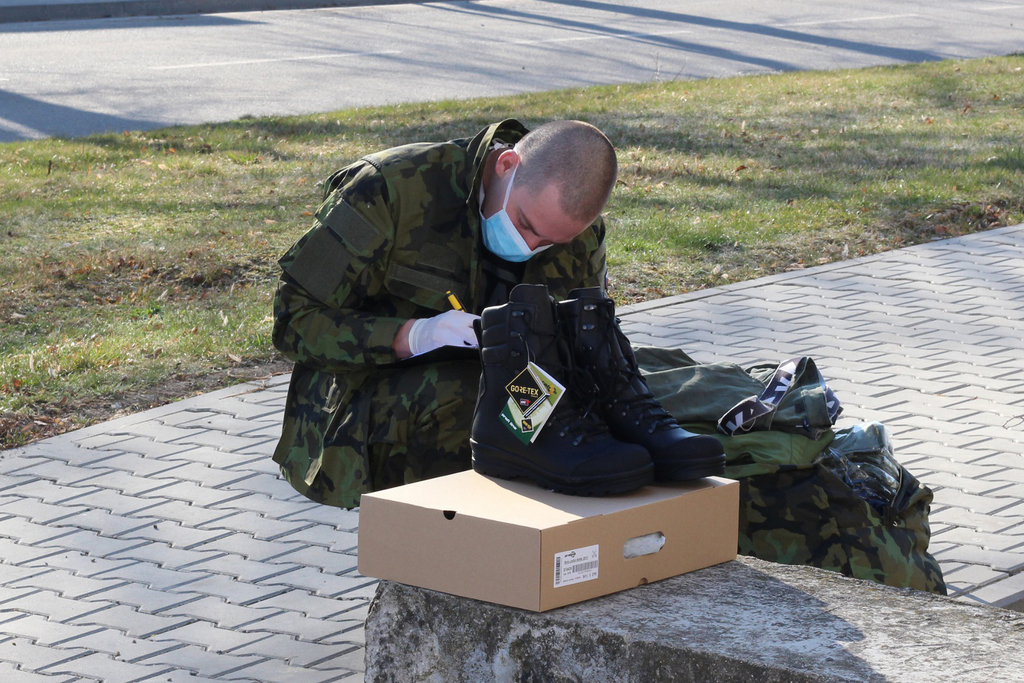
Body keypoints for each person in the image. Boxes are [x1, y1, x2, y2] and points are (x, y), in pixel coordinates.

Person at [271, 119, 617, 509]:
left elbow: (581, 346)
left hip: (505, 387)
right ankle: (438, 537)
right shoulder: (388, 187)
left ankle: (513, 534)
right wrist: (413, 336)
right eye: (523, 223)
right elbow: (293, 319)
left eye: (550, 242)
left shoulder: (582, 234)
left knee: (608, 415)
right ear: (505, 165)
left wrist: (540, 412)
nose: (529, 244)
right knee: (464, 400)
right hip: (359, 394)